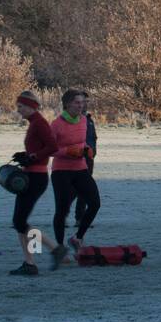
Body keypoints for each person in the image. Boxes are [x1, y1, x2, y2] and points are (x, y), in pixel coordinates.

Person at [8, 91, 71, 276]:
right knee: (20, 222)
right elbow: (39, 149)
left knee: (19, 221)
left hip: (36, 178)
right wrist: (26, 156)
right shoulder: (34, 123)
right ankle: (29, 262)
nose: (18, 110)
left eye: (20, 106)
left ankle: (55, 250)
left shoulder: (40, 123)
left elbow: (52, 147)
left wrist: (32, 157)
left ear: (30, 106)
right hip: (31, 176)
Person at [51, 89, 100, 251]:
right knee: (62, 210)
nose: (81, 106)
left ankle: (77, 238)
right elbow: (49, 149)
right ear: (67, 104)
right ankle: (59, 246)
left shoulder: (84, 120)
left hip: (80, 169)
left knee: (95, 203)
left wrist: (87, 149)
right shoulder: (56, 124)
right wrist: (67, 152)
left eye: (82, 102)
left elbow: (82, 143)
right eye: (77, 103)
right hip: (61, 171)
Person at [72, 91, 98, 227]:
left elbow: (93, 138)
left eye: (87, 101)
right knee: (77, 190)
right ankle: (74, 217)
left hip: (89, 159)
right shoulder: (75, 119)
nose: (86, 104)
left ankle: (79, 218)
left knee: (82, 191)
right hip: (78, 159)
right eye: (83, 101)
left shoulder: (89, 119)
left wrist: (92, 154)